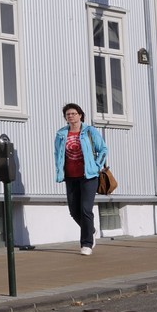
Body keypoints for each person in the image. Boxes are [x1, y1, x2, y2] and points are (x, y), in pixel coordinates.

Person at [53, 103, 107, 255]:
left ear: (80, 115)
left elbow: (103, 149)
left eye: (73, 113)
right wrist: (59, 171)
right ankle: (91, 230)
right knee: (74, 211)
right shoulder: (61, 134)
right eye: (68, 114)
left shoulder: (89, 131)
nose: (71, 116)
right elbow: (57, 154)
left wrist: (97, 166)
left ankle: (87, 244)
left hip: (88, 176)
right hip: (70, 176)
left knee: (85, 209)